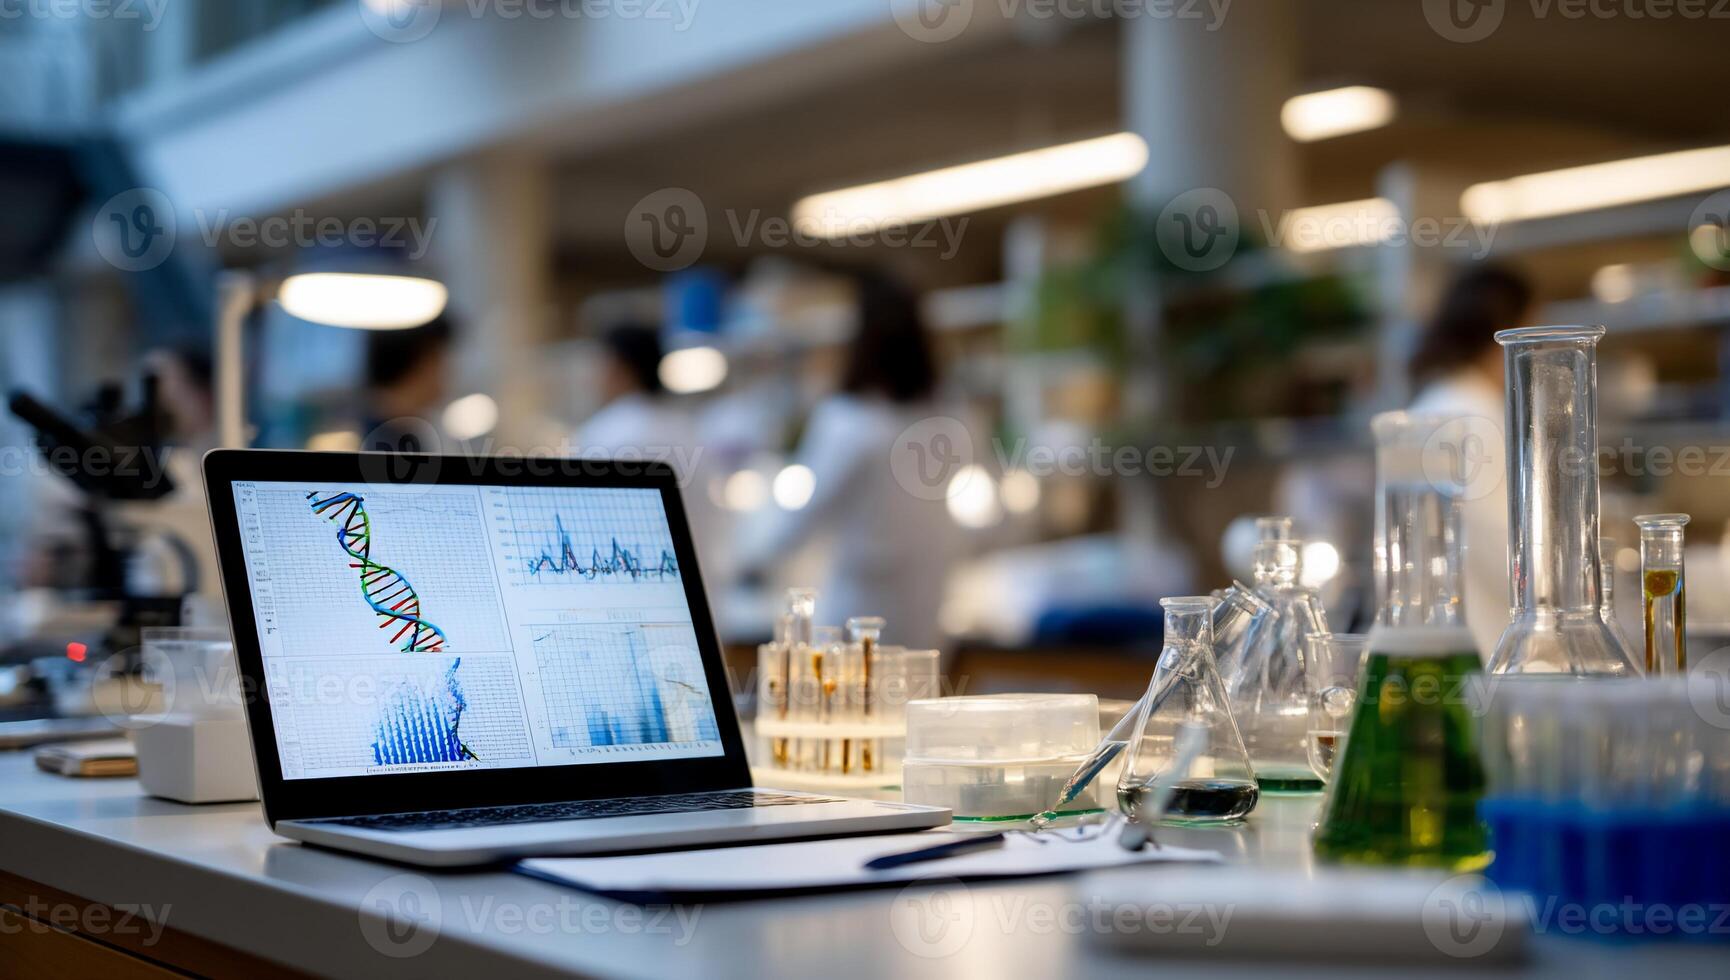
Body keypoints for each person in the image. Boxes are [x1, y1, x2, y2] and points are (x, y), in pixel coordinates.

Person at [736, 272, 959, 650]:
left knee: (852, 701)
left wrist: (752, 563)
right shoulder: (948, 416)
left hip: (861, 605)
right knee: (916, 697)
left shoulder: (849, 421)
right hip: (925, 601)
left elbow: (807, 512)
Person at [1407, 264, 1533, 658]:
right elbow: (1505, 553)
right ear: (1506, 331)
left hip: (1437, 641)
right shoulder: (1473, 414)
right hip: (1483, 643)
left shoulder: (1434, 403)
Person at [361, 315, 453, 453]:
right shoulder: (382, 443)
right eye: (439, 358)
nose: (448, 370)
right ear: (422, 363)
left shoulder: (405, 434)